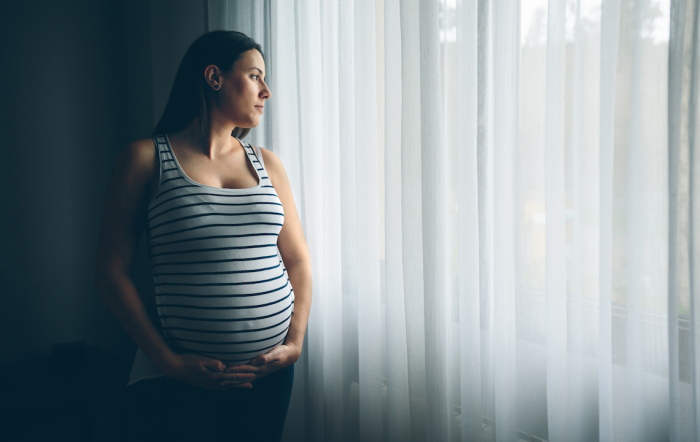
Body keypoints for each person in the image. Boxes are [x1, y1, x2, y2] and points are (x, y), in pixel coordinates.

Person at [94, 30, 312, 441]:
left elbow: (297, 260)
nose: (266, 91)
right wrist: (169, 362)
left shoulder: (268, 164)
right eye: (254, 76)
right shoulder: (144, 159)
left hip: (269, 378)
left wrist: (295, 342)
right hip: (181, 383)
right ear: (214, 77)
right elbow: (110, 275)